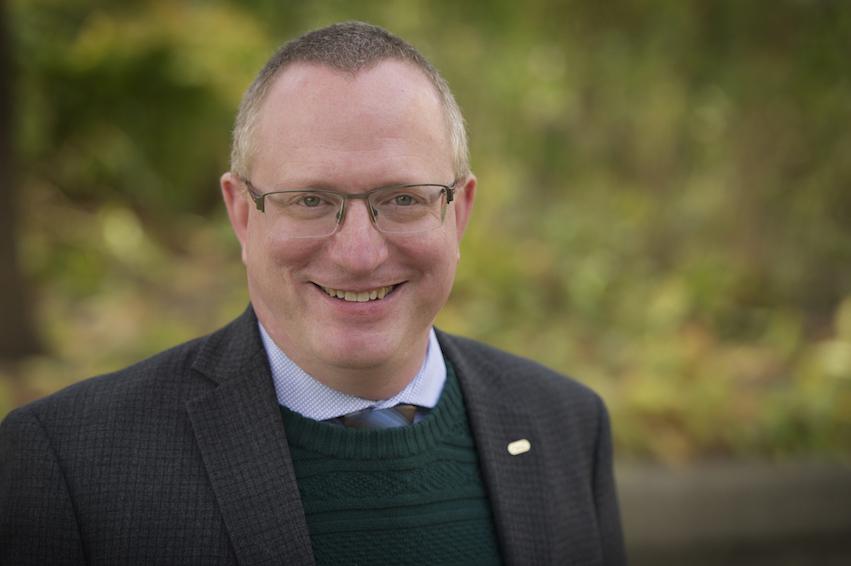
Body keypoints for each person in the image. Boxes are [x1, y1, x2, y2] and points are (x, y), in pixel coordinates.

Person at [0, 21, 626, 565]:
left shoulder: (566, 426)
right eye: (309, 200)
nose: (359, 253)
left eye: (402, 198)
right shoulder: (67, 464)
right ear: (242, 215)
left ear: (457, 213)